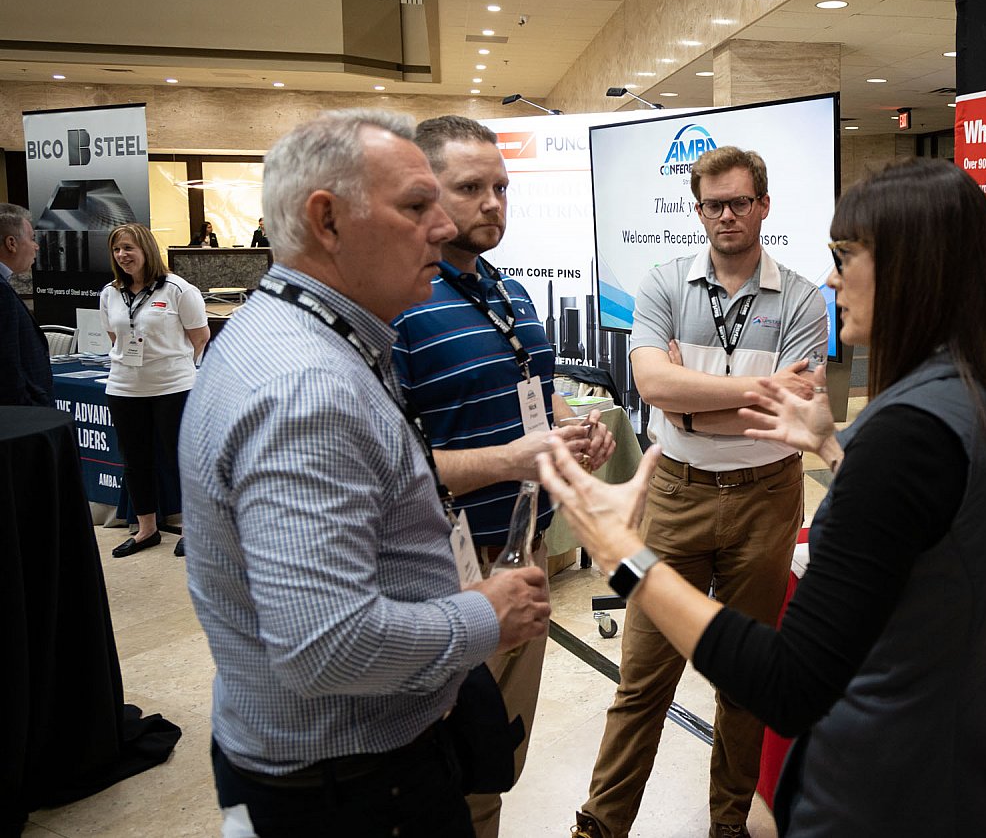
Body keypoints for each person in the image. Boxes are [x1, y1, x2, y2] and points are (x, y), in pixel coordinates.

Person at [543, 158, 986, 837]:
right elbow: (924, 530)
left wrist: (622, 553)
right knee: (642, 684)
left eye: (847, 255)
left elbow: (787, 682)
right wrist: (832, 448)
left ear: (913, 267)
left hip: (877, 793)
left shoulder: (904, 434)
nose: (834, 278)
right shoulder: (983, 396)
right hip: (952, 769)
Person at [179, 109, 551, 838]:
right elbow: (325, 643)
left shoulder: (309, 336)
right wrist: (485, 615)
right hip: (353, 788)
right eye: (417, 206)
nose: (441, 228)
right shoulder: (306, 388)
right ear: (327, 221)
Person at [572, 146, 826, 838]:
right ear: (698, 210)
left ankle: (728, 826)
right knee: (642, 675)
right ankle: (601, 825)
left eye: (740, 201)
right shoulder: (663, 284)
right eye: (714, 204)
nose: (727, 215)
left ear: (764, 205)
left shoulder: (802, 297)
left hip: (767, 498)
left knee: (746, 681)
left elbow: (790, 408)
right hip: (674, 497)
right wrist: (742, 392)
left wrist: (690, 404)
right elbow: (653, 384)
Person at [392, 114, 616, 838]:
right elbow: (391, 471)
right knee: (443, 773)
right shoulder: (398, 308)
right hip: (443, 577)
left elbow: (535, 395)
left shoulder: (508, 291)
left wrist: (572, 429)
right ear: (423, 191)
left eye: (501, 187)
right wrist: (517, 457)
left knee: (495, 758)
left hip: (525, 555)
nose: (493, 203)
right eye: (470, 188)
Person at [99, 222, 209, 558]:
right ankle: (147, 529)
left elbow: (200, 337)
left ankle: (193, 529)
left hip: (173, 388)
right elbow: (115, 337)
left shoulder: (178, 289)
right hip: (124, 388)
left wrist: (172, 365)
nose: (122, 255)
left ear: (146, 249)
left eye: (129, 248)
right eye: (117, 249)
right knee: (135, 460)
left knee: (180, 459)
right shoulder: (110, 293)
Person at [0, 202, 52, 406]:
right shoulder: (2, 291)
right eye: (31, 239)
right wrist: (30, 407)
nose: (36, 246)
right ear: (11, 243)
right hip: (21, 412)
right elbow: (7, 362)